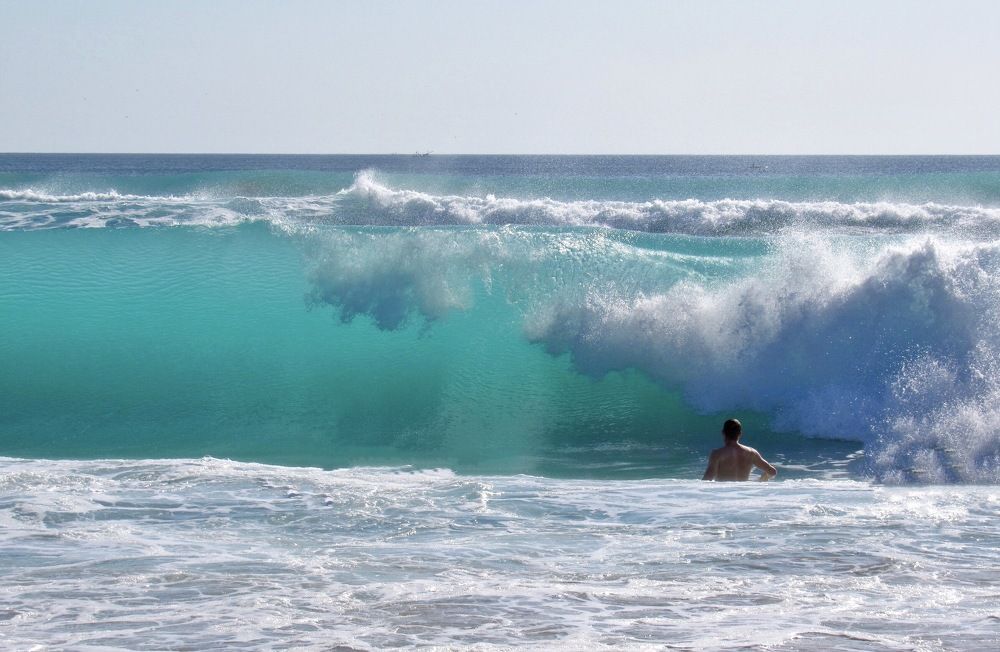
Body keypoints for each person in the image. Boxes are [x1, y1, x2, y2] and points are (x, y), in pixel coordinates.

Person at [701, 418, 777, 481]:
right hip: (742, 495)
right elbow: (772, 472)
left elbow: (707, 479)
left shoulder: (717, 454)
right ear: (740, 434)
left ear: (723, 433)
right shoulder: (751, 452)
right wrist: (761, 480)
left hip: (723, 496)